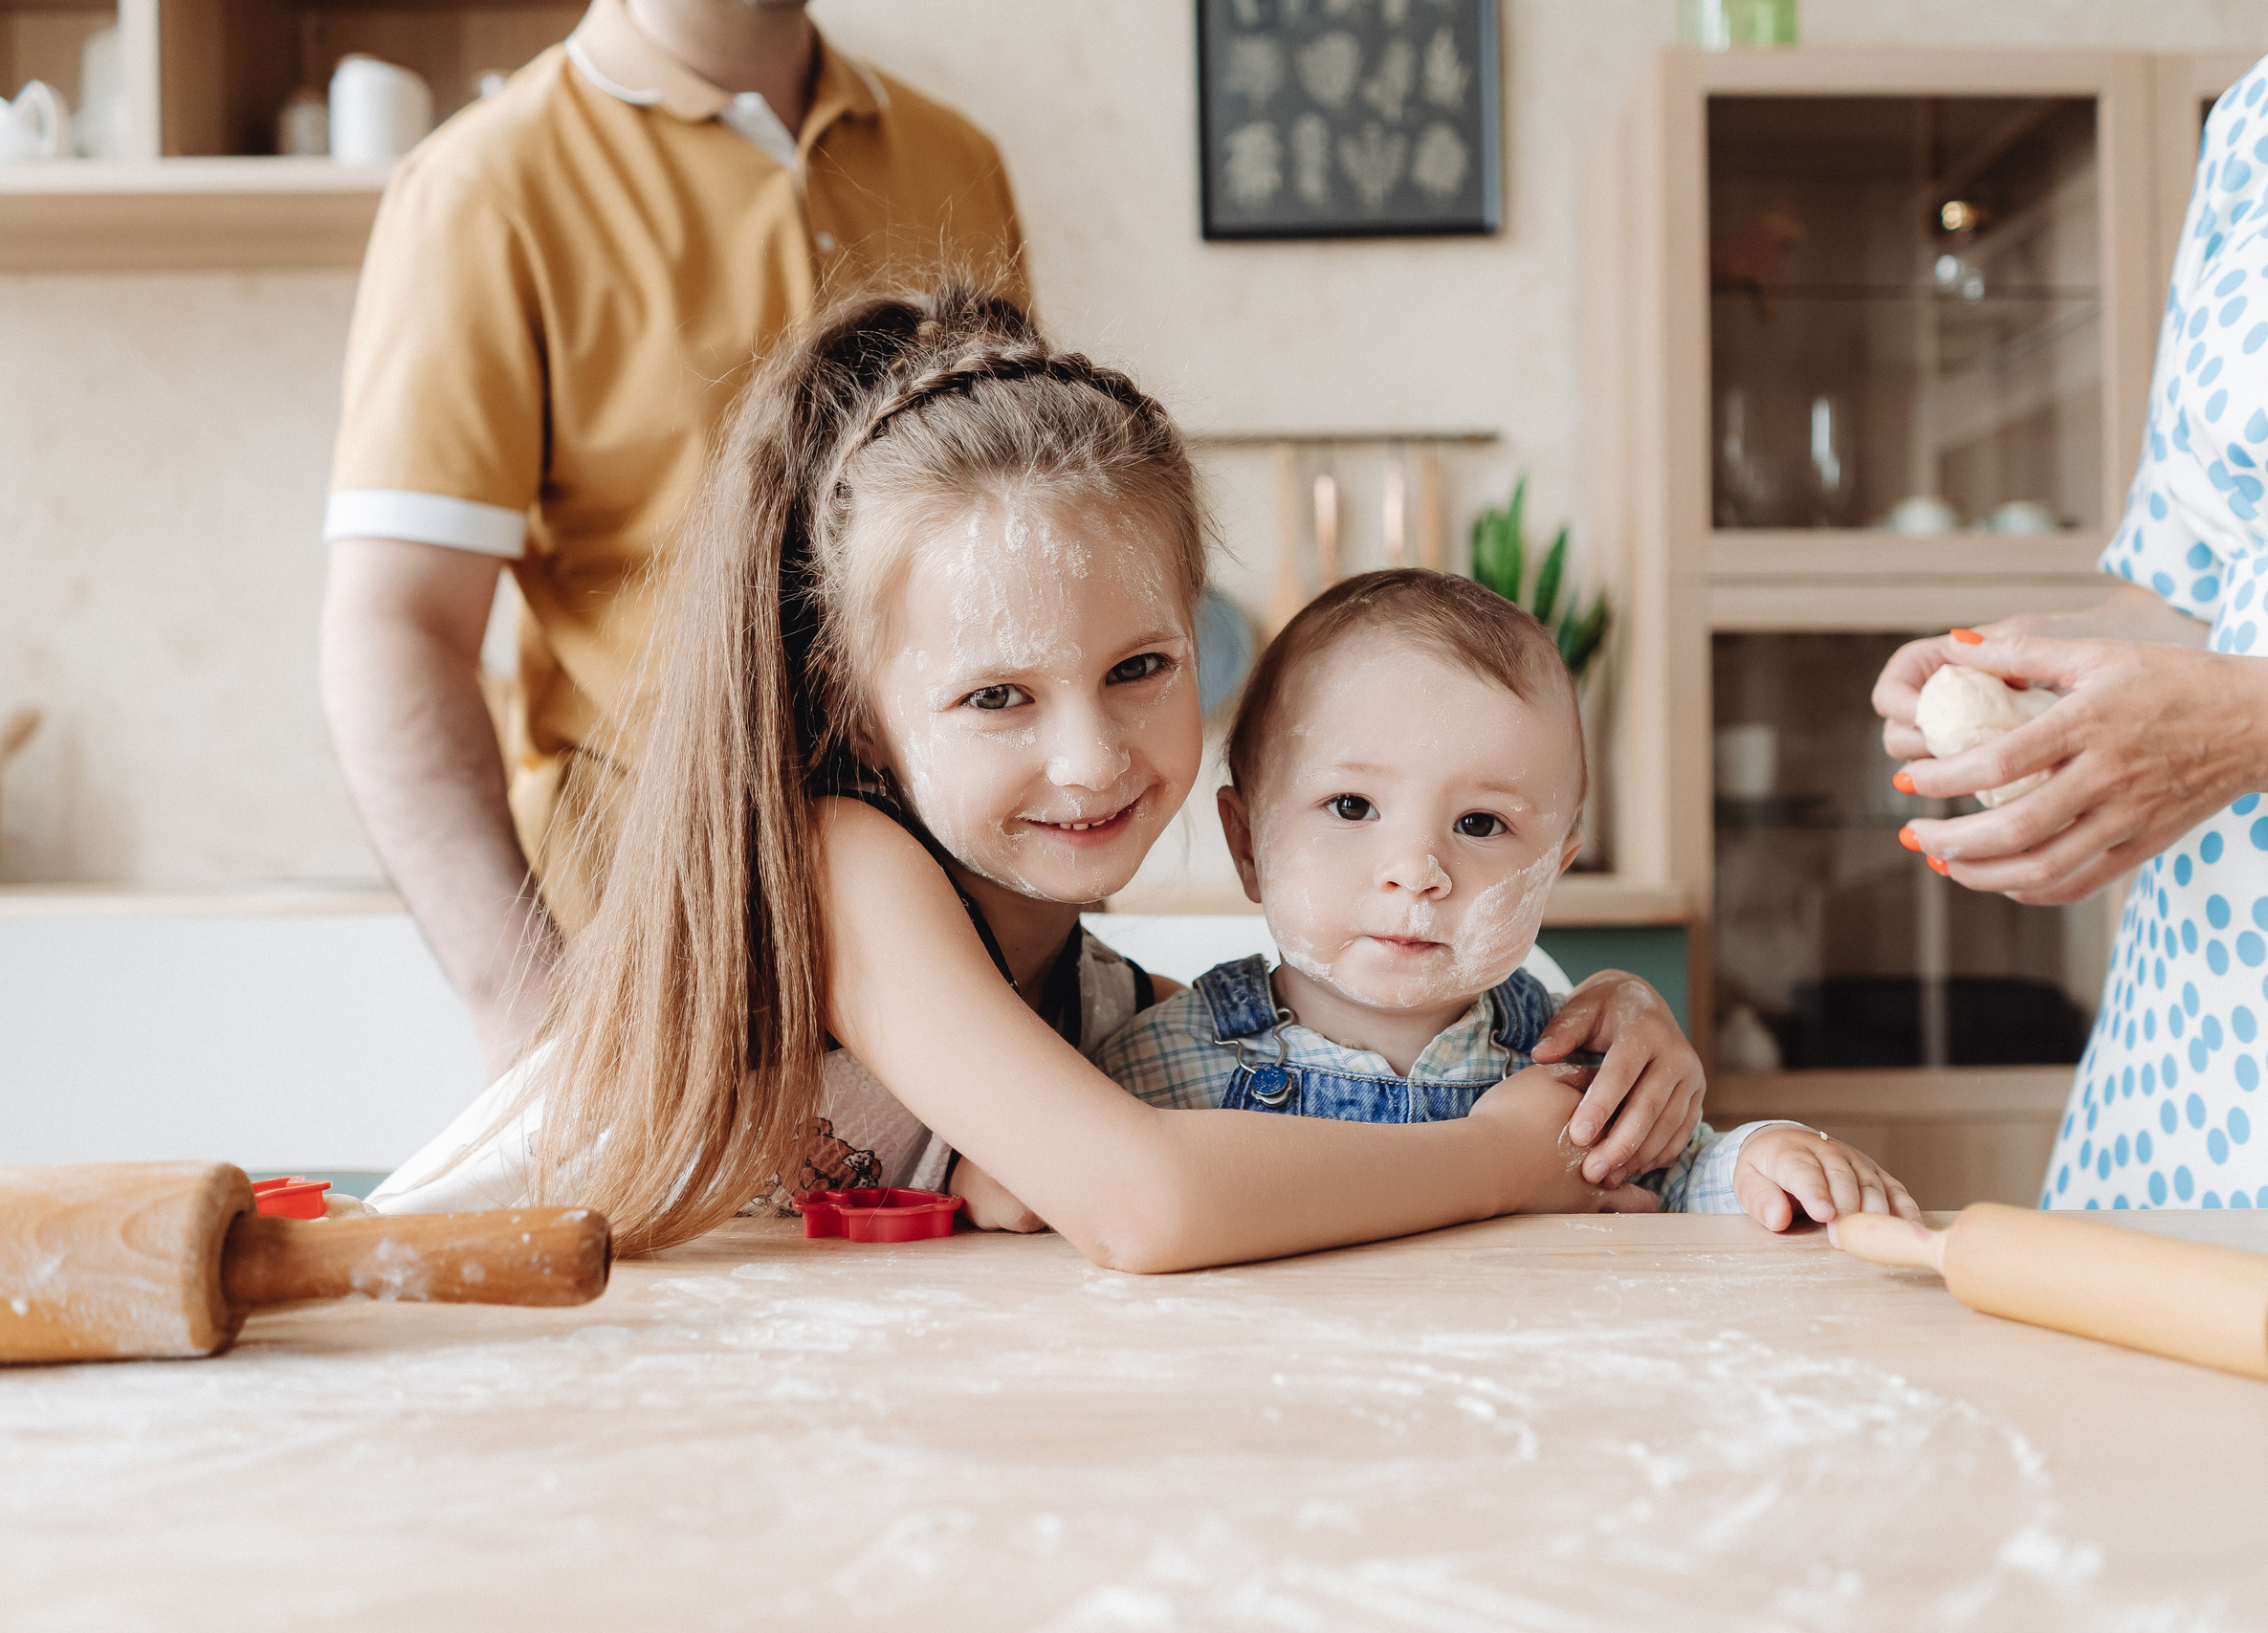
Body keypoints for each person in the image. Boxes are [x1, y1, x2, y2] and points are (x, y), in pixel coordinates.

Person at [371, 286, 1708, 1269]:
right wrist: (1506, 1155)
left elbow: (1313, 1050)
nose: (1090, 756)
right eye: (997, 696)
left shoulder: (1086, 990)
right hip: (422, 1358)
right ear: (861, 704)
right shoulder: (843, 865)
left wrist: (1593, 1031)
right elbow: (1150, 1201)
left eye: (1140, 667)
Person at [319, 0, 1028, 1079]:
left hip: (963, 946)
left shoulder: (954, 155)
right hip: (661, 961)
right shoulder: (485, 184)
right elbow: (395, 625)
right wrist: (529, 1018)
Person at [1874, 0, 2268, 1212]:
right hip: (2220, 1014)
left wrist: (2257, 726)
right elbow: (2190, 587)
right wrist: (2025, 681)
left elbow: (2238, 693)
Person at [1065, 569, 1917, 1232]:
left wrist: (1763, 1161)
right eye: (1353, 807)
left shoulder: (1574, 1071)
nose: (1417, 870)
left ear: (1552, 868)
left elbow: (1684, 1178)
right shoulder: (1151, 1074)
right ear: (1247, 843)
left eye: (1480, 822)